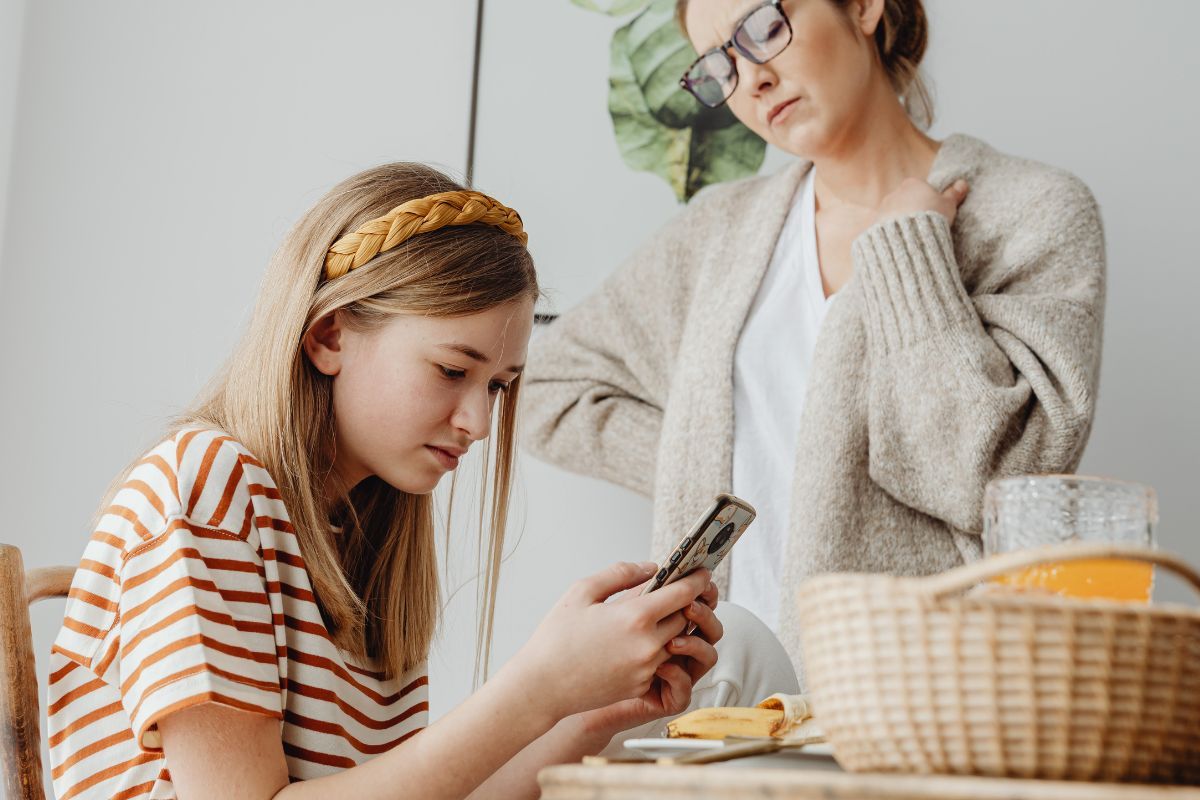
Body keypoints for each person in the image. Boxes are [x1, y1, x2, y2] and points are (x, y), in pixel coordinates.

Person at [46, 164, 726, 800]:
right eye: (452, 371)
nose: (479, 422)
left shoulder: (362, 533)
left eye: (497, 387)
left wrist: (588, 715)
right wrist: (538, 687)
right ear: (329, 337)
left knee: (738, 658)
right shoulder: (204, 490)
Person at [520, 0, 1106, 681]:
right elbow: (548, 386)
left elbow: (991, 482)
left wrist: (907, 246)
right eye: (720, 64)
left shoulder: (1032, 213)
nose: (752, 79)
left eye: (763, 27)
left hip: (926, 707)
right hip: (716, 712)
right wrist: (717, 456)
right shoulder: (718, 236)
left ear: (862, 8)